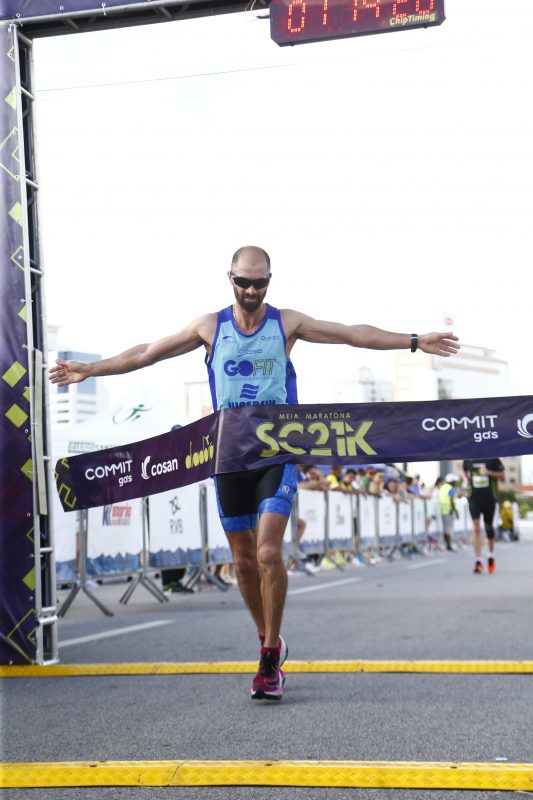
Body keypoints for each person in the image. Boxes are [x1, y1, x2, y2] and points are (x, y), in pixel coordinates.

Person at [49, 244, 460, 701]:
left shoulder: (286, 323)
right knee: (243, 561)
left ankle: (268, 658)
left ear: (269, 280)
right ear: (229, 278)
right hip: (228, 457)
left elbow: (350, 333)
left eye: (259, 283)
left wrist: (413, 341)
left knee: (267, 552)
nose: (250, 290)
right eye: (243, 282)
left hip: (277, 451)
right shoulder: (210, 327)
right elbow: (148, 352)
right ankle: (270, 638)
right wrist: (91, 369)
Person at [462, 458, 505, 574]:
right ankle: (478, 560)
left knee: (488, 527)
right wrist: (466, 479)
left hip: (489, 498)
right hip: (474, 498)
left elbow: (503, 477)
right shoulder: (468, 458)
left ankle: (490, 555)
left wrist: (488, 472)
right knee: (475, 527)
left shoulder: (494, 459)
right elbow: (464, 469)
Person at [439, 472, 459, 552]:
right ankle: (448, 545)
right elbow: (451, 499)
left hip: (443, 509)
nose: (455, 482)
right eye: (454, 481)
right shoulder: (451, 488)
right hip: (449, 510)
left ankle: (447, 544)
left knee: (445, 528)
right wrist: (455, 510)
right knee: (449, 529)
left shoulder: (443, 487)